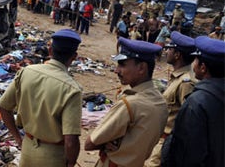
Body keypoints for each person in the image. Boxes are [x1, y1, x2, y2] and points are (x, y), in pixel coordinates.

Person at [0, 29, 83, 167]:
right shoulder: (72, 89)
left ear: (50, 51)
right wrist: (71, 163)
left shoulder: (26, 72)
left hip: (28, 149)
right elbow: (71, 140)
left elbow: (3, 106)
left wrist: (18, 139)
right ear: (74, 57)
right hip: (53, 156)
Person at [85, 37, 168, 167]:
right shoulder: (160, 102)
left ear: (141, 68)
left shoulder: (130, 104)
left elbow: (90, 143)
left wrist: (107, 142)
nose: (116, 70)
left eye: (122, 64)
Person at [162, 36, 225, 167]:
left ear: (203, 67)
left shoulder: (196, 102)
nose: (193, 63)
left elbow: (188, 153)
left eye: (196, 59)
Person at [144, 31, 197, 167]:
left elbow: (188, 120)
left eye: (169, 49)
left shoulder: (186, 82)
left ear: (177, 55)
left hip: (167, 142)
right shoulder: (178, 77)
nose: (166, 52)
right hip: (160, 139)